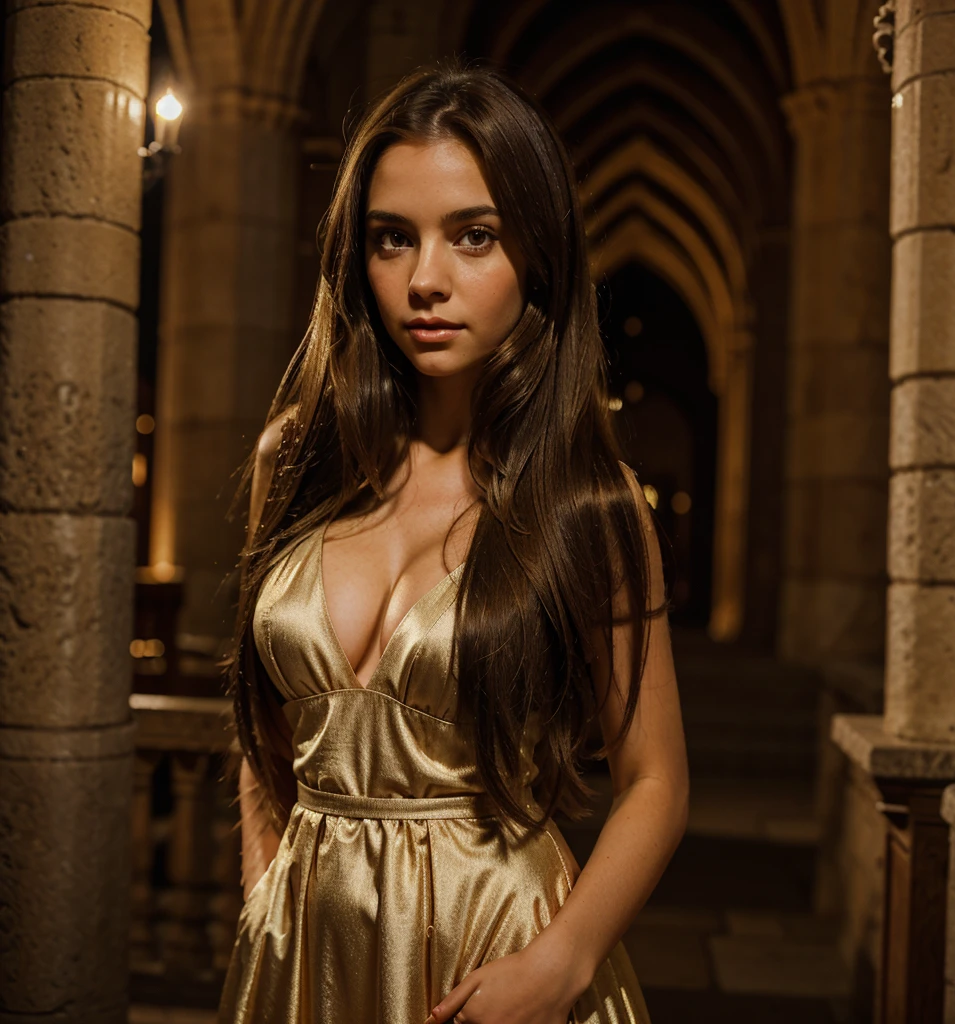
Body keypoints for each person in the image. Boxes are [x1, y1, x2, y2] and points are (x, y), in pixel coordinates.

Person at [218, 61, 689, 1024]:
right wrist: (264, 892)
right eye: (393, 240)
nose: (426, 281)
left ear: (538, 256)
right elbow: (264, 740)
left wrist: (560, 963)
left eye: (473, 237)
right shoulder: (297, 462)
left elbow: (656, 782)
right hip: (304, 956)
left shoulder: (588, 508)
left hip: (497, 951)